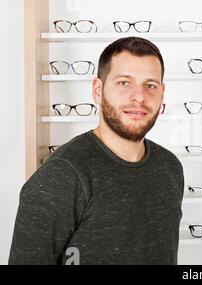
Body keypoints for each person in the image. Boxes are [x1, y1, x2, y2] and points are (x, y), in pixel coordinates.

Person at [9, 37, 184, 265]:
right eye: (124, 83)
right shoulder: (62, 175)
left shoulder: (169, 167)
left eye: (150, 85)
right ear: (98, 91)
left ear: (162, 93)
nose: (139, 96)